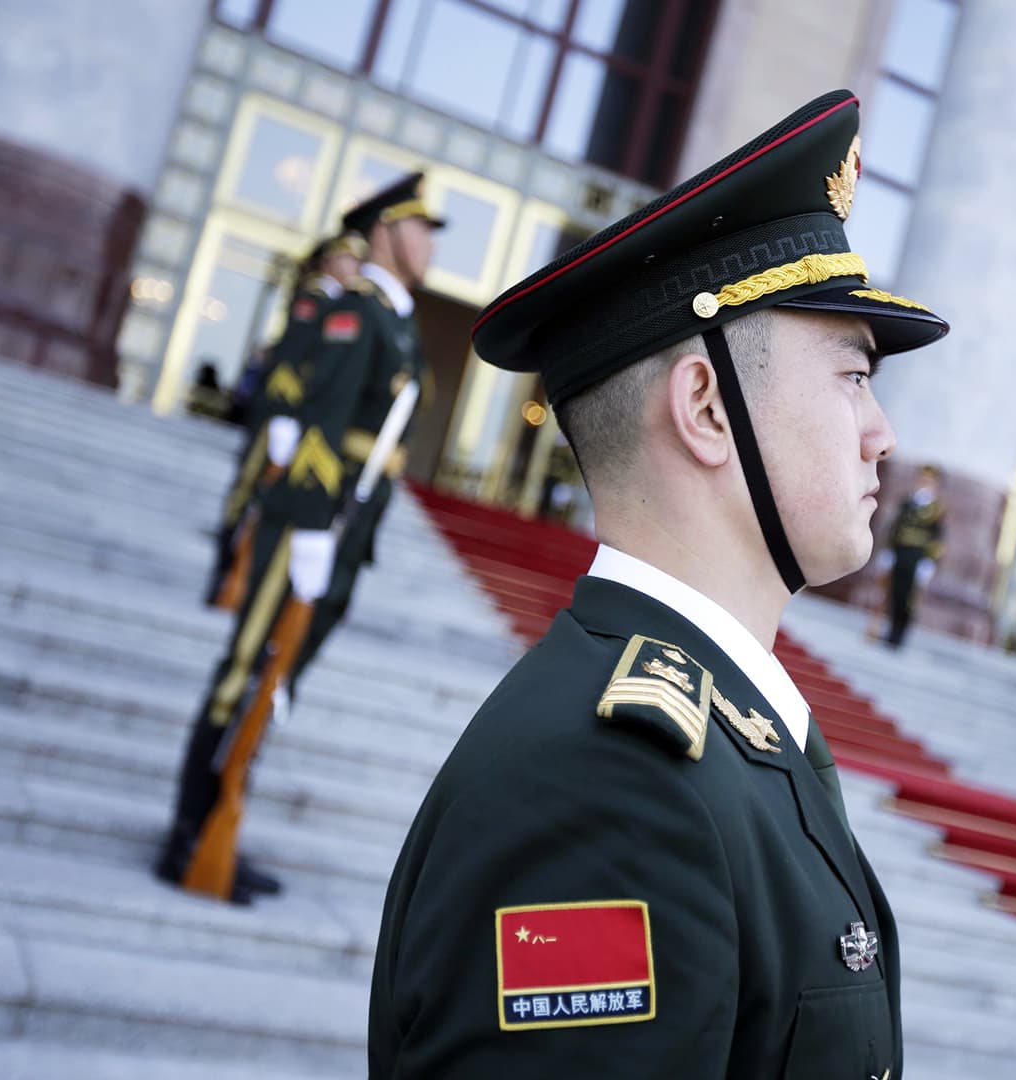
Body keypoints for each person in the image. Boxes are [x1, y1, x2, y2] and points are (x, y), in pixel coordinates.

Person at [368, 90, 947, 1078]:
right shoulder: (609, 789)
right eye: (854, 376)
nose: (881, 431)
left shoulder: (723, 733)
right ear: (708, 409)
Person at [157, 174, 441, 904]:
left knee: (279, 679)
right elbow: (319, 421)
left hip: (348, 530)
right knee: (249, 664)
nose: (430, 244)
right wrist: (312, 530)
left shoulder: (400, 321)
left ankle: (226, 815)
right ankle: (192, 833)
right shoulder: (359, 313)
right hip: (312, 524)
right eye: (419, 228)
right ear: (384, 234)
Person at [204, 230, 368, 605]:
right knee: (250, 483)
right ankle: (224, 564)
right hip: (282, 410)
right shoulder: (314, 296)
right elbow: (292, 357)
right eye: (348, 261)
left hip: (301, 415)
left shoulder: (340, 303)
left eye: (358, 263)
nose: (353, 269)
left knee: (266, 493)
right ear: (330, 261)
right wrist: (284, 412)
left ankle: (234, 572)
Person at [871, 463, 945, 648]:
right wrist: (887, 552)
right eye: (923, 478)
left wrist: (929, 562)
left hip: (917, 557)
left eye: (929, 480)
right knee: (894, 593)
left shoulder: (937, 509)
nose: (924, 482)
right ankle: (890, 632)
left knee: (908, 599)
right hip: (899, 552)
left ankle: (899, 635)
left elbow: (937, 537)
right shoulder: (908, 501)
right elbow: (895, 528)